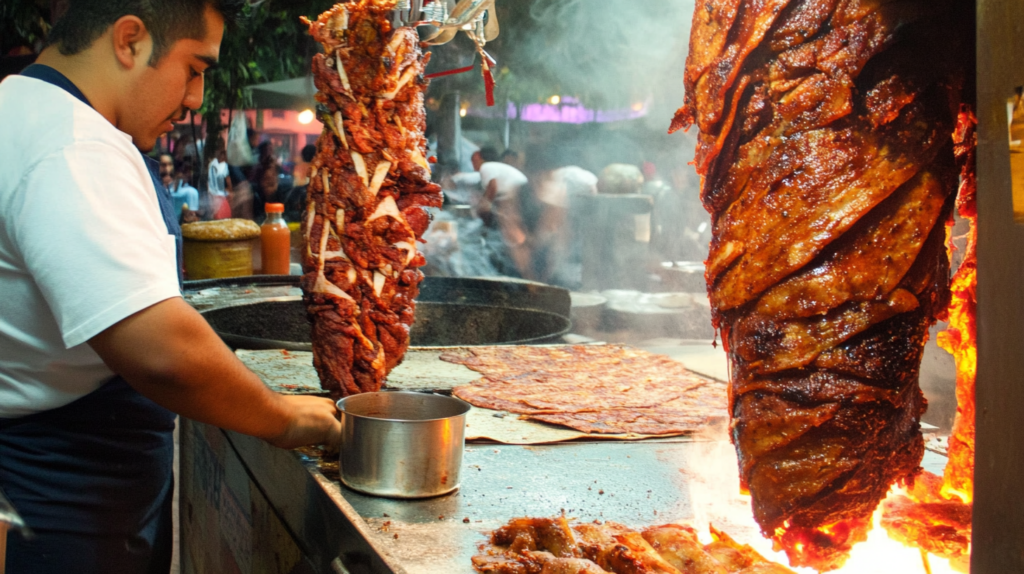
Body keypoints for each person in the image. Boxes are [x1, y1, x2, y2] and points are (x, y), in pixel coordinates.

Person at [0, 3, 340, 574]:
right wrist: (284, 416)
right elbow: (163, 353)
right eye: (194, 68)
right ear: (129, 40)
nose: (195, 99)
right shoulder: (72, 145)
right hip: (58, 496)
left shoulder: (19, 104)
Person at [474, 146, 531, 278]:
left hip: (519, 192)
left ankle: (521, 267)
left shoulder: (485, 167)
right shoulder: (492, 168)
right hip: (516, 193)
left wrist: (483, 206)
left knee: (512, 230)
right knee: (508, 229)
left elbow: (492, 187)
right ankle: (513, 264)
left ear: (479, 158)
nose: (473, 164)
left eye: (474, 160)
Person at [158, 152, 200, 222]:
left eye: (170, 164)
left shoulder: (188, 191)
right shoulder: (154, 188)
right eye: (163, 165)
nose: (167, 168)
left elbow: (193, 218)